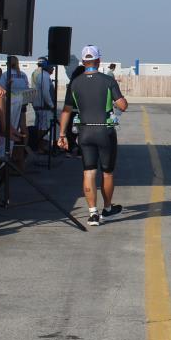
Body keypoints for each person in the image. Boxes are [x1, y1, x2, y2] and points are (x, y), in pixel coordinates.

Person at [58, 45, 128, 226]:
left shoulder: (75, 83)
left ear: (83, 61)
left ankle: (92, 213)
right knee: (107, 173)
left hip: (85, 132)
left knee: (88, 171)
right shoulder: (108, 81)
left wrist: (62, 134)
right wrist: (119, 102)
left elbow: (66, 111)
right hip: (105, 131)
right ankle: (107, 209)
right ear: (98, 61)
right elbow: (122, 105)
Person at [32, 58, 56, 153]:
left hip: (40, 105)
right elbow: (45, 93)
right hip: (43, 106)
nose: (53, 69)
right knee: (43, 127)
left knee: (40, 126)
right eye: (52, 67)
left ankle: (39, 146)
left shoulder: (43, 75)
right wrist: (51, 105)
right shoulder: (44, 77)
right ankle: (40, 147)